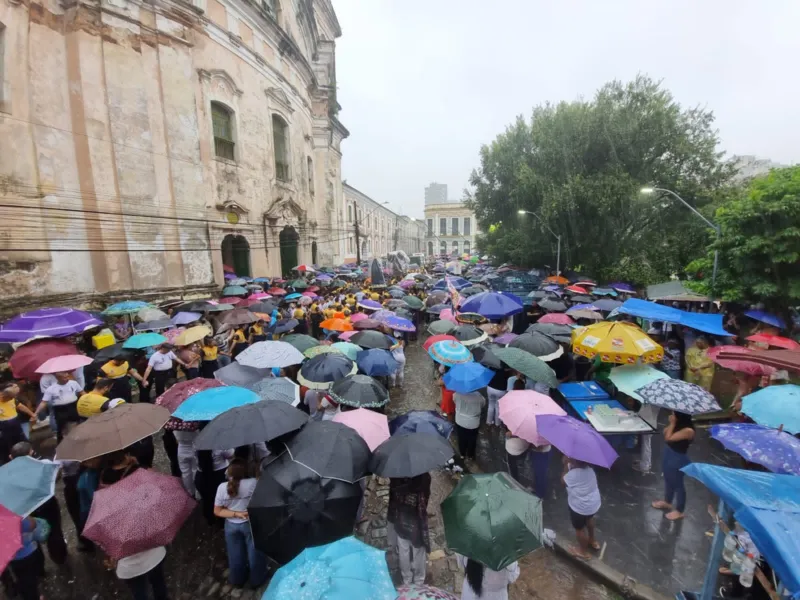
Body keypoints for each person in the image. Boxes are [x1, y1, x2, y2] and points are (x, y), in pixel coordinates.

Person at [213, 459, 266, 588]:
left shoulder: (221, 488)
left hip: (231, 525)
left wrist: (235, 514)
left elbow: (217, 511)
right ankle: (256, 579)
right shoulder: (253, 483)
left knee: (235, 554)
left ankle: (237, 579)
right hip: (250, 523)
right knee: (255, 553)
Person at [387, 474, 431, 586]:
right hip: (417, 520)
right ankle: (419, 581)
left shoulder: (396, 475)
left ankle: (406, 579)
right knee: (419, 551)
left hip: (401, 518)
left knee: (403, 549)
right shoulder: (424, 477)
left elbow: (393, 496)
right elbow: (426, 497)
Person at [652, 411, 695, 521]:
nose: (672, 415)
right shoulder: (678, 425)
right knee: (668, 479)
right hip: (668, 453)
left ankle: (680, 510)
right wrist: (671, 424)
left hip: (678, 457)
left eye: (674, 414)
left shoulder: (688, 430)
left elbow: (669, 438)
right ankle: (667, 501)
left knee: (677, 484)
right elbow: (665, 432)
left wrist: (672, 424)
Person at [562, 457, 602, 560]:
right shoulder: (590, 470)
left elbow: (563, 482)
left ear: (575, 461)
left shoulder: (573, 474)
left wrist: (565, 466)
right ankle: (592, 540)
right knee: (589, 519)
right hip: (593, 505)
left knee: (579, 529)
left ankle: (583, 552)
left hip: (579, 508)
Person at [35, 372, 84, 441]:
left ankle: (76, 440)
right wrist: (36, 413)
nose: (67, 379)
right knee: (62, 428)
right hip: (60, 410)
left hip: (73, 407)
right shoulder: (51, 389)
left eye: (67, 377)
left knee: (75, 424)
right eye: (64, 378)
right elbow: (44, 402)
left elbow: (82, 392)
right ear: (58, 378)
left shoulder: (73, 383)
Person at [8, 516, 47, 600]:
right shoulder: (16, 517)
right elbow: (31, 525)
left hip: (13, 557)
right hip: (27, 554)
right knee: (30, 580)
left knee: (22, 579)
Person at [195, 445, 233, 526]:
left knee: (207, 499)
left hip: (202, 476)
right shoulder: (221, 445)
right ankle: (222, 521)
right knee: (222, 500)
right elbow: (231, 454)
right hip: (219, 476)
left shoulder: (196, 444)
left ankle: (210, 518)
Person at [0, 383, 34, 459]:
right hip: (4, 426)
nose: (11, 399)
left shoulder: (12, 399)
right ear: (3, 395)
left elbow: (21, 407)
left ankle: (30, 456)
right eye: (9, 398)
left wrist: (32, 414)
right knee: (7, 445)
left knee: (24, 441)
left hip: (16, 424)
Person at [453, 390, 485, 461]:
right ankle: (470, 455)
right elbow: (483, 404)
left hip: (460, 420)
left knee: (461, 439)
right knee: (472, 440)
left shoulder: (457, 393)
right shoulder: (478, 396)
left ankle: (462, 454)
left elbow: (454, 400)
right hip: (473, 423)